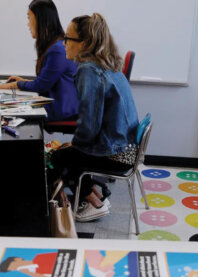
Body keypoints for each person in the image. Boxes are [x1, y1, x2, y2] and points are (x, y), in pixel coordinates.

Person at [48, 13, 139, 222]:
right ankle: (98, 197)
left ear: (85, 43)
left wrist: (74, 144)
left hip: (116, 155)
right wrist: (76, 143)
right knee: (72, 151)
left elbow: (89, 126)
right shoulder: (107, 64)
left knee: (58, 157)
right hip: (126, 150)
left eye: (68, 38)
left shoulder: (88, 70)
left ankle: (94, 203)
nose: (63, 44)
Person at [0, 0, 78, 121]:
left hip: (61, 110)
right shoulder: (57, 45)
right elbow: (46, 82)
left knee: (7, 112)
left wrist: (15, 84)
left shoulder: (58, 50)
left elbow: (41, 86)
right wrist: (24, 81)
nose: (28, 24)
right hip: (57, 105)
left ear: (40, 20)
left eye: (29, 18)